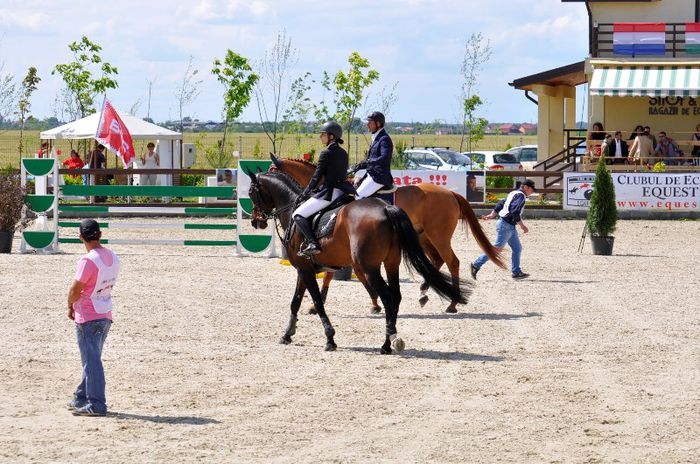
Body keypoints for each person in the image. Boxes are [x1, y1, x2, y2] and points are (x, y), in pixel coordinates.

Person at [66, 219, 120, 416]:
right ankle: (80, 397)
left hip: (88, 315)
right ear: (100, 235)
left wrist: (70, 305)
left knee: (91, 361)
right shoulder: (113, 257)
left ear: (81, 237)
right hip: (105, 312)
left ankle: (96, 403)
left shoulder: (88, 261)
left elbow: (75, 289)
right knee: (92, 358)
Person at [292, 121, 356, 257]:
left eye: (323, 134)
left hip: (330, 192)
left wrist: (306, 192)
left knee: (298, 214)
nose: (321, 137)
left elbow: (316, 176)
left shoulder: (326, 153)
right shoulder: (344, 153)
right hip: (344, 191)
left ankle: (313, 243)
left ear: (331, 136)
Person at [470, 179, 536, 280]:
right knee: (497, 249)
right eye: (532, 189)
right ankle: (476, 264)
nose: (532, 192)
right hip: (506, 226)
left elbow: (502, 203)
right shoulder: (521, 196)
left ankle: (516, 272)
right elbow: (515, 211)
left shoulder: (514, 193)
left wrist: (492, 214)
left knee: (517, 248)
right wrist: (522, 226)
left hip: (508, 226)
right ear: (526, 187)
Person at [353, 111, 394, 199]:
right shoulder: (376, 137)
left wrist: (368, 162)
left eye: (370, 122)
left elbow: (385, 158)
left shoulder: (384, 139)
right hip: (371, 174)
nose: (367, 124)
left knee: (357, 196)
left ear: (378, 124)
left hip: (379, 177)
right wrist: (361, 165)